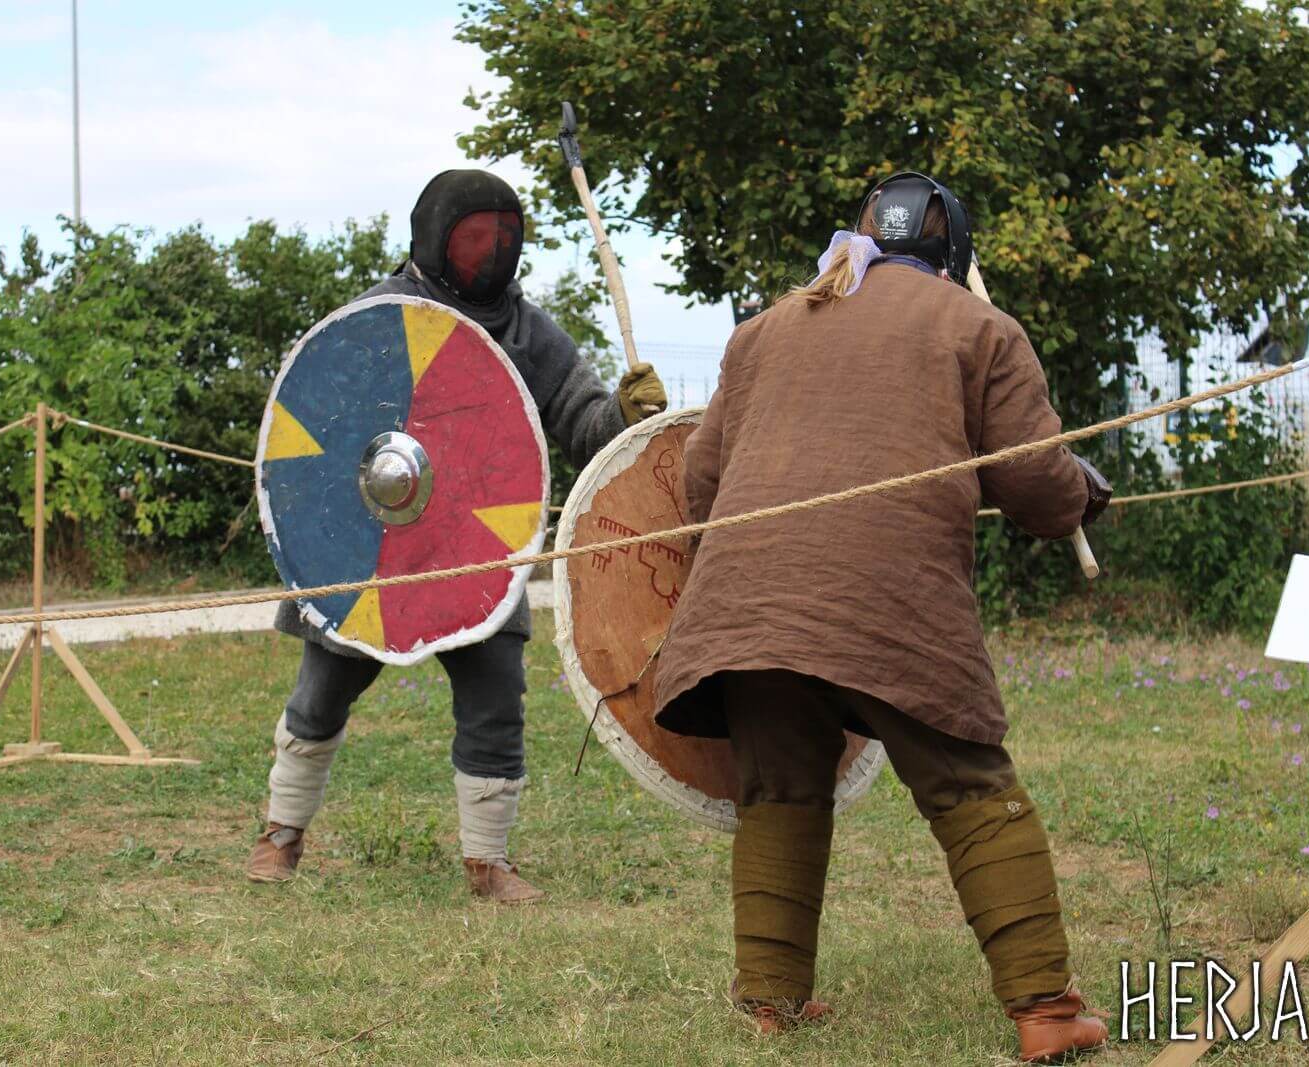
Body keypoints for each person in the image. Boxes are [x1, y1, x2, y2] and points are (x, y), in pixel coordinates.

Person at [649, 172, 1112, 1061]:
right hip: (889, 600)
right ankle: (1048, 1013)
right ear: (953, 252)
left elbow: (702, 484)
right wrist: (1080, 493)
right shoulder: (979, 326)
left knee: (779, 785)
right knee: (969, 783)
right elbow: (1033, 481)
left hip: (748, 601)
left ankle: (772, 1000)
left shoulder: (762, 330)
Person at [246, 168, 667, 903]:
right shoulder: (381, 314)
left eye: (504, 237)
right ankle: (281, 833)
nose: (491, 251)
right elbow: (320, 427)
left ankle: (487, 862)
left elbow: (582, 423)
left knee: (496, 700)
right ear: (435, 238)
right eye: (476, 237)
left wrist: (624, 416)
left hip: (474, 546)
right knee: (321, 694)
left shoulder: (527, 332)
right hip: (374, 544)